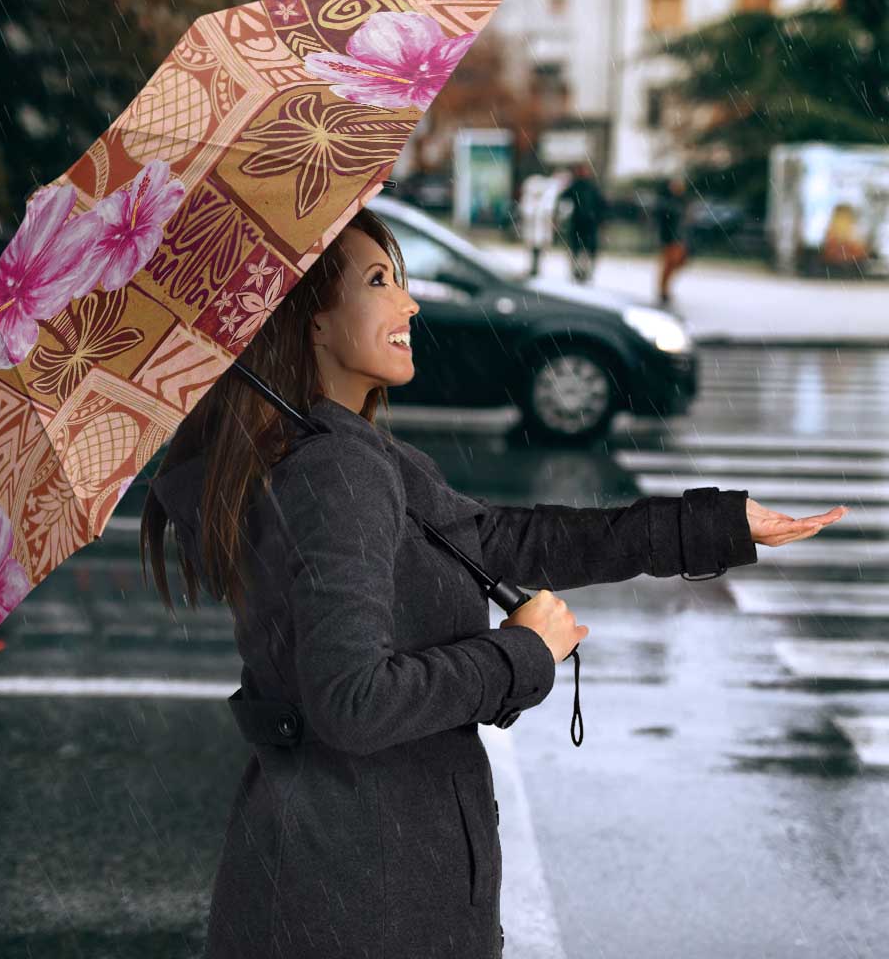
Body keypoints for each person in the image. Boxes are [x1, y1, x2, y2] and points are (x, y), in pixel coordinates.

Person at [141, 206, 843, 959]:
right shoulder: (336, 471)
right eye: (378, 282)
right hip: (365, 897)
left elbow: (504, 540)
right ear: (311, 320)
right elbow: (352, 702)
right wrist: (521, 654)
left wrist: (714, 526)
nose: (409, 303)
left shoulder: (336, 453)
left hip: (340, 876)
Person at [557, 161, 607, 284]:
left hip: (587, 224)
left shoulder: (589, 187)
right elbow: (563, 198)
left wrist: (600, 219)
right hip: (581, 223)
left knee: (584, 250)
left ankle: (584, 272)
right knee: (579, 249)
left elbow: (601, 205)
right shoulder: (579, 186)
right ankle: (578, 272)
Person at [655, 174, 691, 305]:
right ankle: (663, 290)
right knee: (669, 264)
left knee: (677, 262)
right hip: (670, 238)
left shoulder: (681, 201)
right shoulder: (667, 202)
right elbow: (664, 221)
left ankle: (664, 289)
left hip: (679, 238)